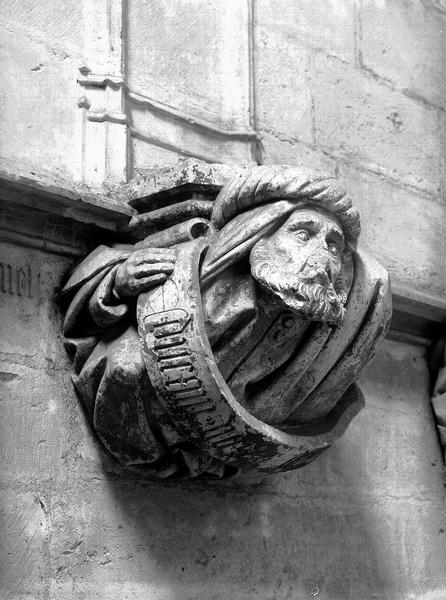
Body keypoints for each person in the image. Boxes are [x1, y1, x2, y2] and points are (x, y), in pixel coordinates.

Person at [62, 166, 391, 477]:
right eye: (303, 234)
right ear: (258, 233)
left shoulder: (323, 332)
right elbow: (91, 279)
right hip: (135, 428)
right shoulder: (198, 269)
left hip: (229, 445)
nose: (322, 260)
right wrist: (118, 283)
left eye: (333, 246)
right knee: (128, 367)